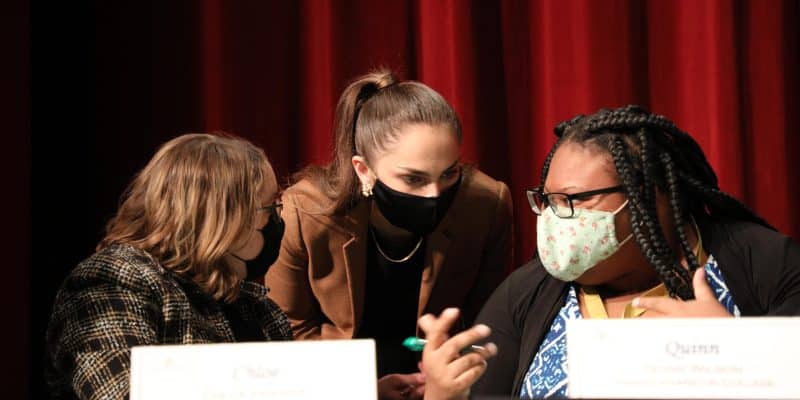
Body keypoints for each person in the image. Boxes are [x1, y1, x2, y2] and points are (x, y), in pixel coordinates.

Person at [421, 105, 800, 399]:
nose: (555, 218)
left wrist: (738, 354)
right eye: (549, 201)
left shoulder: (765, 265)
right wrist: (443, 393)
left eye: (575, 200)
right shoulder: (524, 295)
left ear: (649, 198)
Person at [266, 69, 513, 399]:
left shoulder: (486, 204)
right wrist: (362, 390)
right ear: (363, 170)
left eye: (449, 173)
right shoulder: (305, 213)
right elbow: (285, 333)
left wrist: (446, 377)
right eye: (413, 179)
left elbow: (490, 324)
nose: (434, 194)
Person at [45, 133, 292, 399]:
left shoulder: (257, 308)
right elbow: (122, 393)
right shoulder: (113, 281)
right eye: (270, 209)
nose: (278, 220)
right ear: (222, 219)